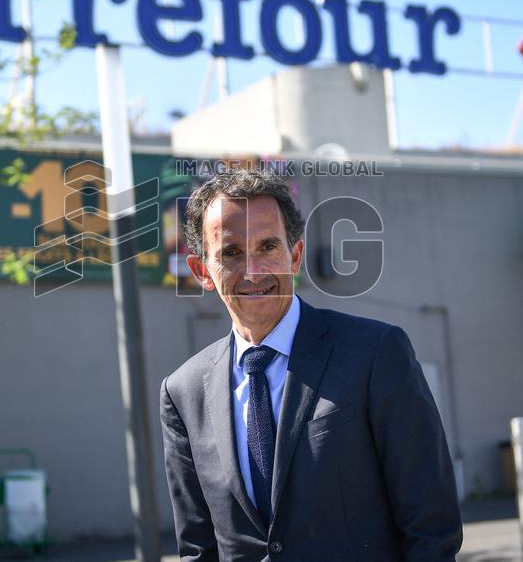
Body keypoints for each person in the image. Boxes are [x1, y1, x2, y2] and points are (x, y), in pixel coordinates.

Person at [160, 169, 463, 561]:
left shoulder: (374, 353)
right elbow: (198, 549)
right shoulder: (183, 392)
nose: (253, 271)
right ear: (202, 271)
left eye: (268, 246)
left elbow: (431, 526)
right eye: (231, 253)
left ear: (296, 256)